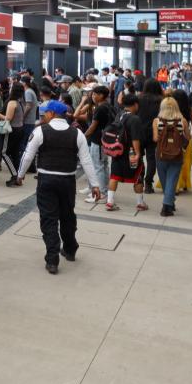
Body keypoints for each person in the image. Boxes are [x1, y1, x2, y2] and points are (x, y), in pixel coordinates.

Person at [17, 101, 102, 273]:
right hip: (68, 181)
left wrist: (20, 175)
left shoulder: (40, 131)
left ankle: (52, 259)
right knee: (67, 216)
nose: (44, 116)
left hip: (46, 179)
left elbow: (27, 155)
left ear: (52, 113)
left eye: (45, 112)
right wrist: (95, 185)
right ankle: (70, 249)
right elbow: (86, 161)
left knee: (49, 219)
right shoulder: (77, 133)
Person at [105, 94, 146, 212]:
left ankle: (110, 202)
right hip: (131, 153)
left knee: (114, 176)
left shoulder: (119, 115)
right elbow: (135, 138)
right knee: (138, 177)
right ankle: (140, 203)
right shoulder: (135, 119)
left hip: (117, 151)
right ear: (136, 105)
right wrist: (138, 154)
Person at [152, 97, 190, 217]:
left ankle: (167, 205)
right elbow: (188, 137)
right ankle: (168, 204)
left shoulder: (156, 121)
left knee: (165, 181)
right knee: (172, 180)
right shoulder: (182, 121)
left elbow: (155, 139)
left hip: (161, 154)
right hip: (177, 155)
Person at [0, 83, 26, 184]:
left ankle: (15, 175)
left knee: (4, 153)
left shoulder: (12, 102)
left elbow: (7, 118)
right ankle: (19, 176)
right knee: (15, 154)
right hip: (20, 129)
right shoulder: (21, 101)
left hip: (11, 130)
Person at [81, 85, 113, 203]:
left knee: (98, 167)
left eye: (94, 94)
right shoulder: (109, 106)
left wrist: (83, 136)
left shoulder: (100, 108)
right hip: (105, 140)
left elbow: (93, 126)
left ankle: (102, 194)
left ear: (101, 95)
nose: (92, 96)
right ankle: (104, 191)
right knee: (103, 166)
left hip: (98, 140)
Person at [137, 79, 164, 194]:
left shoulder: (139, 99)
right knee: (151, 158)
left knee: (138, 157)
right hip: (155, 132)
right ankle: (148, 183)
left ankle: (139, 180)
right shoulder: (162, 101)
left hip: (138, 131)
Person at [170, 89, 192, 195]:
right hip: (186, 139)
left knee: (173, 162)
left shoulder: (170, 109)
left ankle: (175, 185)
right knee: (186, 163)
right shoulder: (190, 110)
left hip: (172, 138)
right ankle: (185, 184)